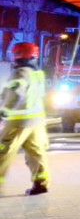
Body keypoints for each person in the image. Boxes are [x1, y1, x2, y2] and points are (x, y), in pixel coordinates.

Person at [0, 42, 50, 195]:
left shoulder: (20, 72)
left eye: (15, 54)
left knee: (3, 152)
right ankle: (40, 184)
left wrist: (3, 113)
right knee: (36, 153)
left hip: (18, 121)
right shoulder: (38, 73)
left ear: (20, 54)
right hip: (37, 122)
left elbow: (16, 94)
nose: (13, 57)